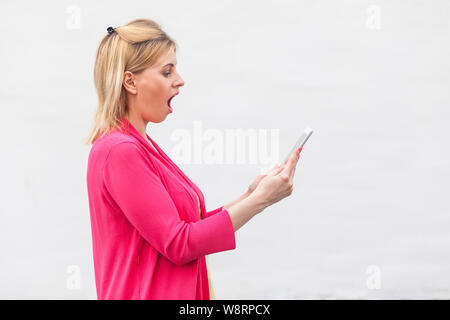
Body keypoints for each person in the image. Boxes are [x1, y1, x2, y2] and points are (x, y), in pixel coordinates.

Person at [85, 18, 303, 300]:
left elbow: (186, 228)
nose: (179, 80)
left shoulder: (141, 145)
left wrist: (250, 194)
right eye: (167, 72)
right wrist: (259, 201)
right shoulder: (119, 151)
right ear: (130, 81)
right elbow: (179, 243)